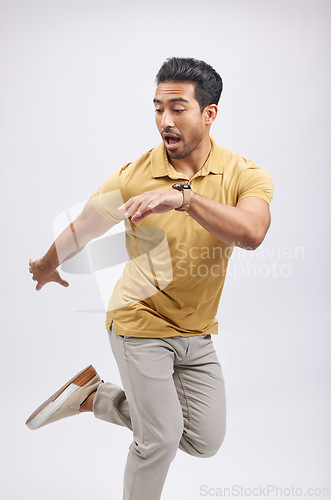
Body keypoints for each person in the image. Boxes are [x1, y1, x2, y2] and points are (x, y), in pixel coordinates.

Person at [27, 57, 274, 500]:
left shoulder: (245, 175)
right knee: (158, 439)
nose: (165, 120)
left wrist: (184, 199)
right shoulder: (133, 175)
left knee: (203, 440)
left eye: (178, 108)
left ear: (209, 113)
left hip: (197, 333)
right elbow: (83, 227)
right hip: (138, 324)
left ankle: (95, 397)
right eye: (158, 108)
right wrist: (47, 265)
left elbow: (251, 233)